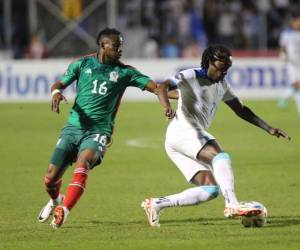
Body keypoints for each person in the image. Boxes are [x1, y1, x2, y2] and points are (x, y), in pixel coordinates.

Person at [141, 44, 290, 227]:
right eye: (220, 68)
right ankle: (232, 204)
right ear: (209, 62)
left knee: (210, 189)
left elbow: (241, 110)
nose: (222, 73)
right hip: (183, 130)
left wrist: (268, 128)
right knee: (219, 156)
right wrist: (166, 107)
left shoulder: (222, 84)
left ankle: (156, 204)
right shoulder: (191, 75)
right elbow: (162, 86)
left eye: (226, 70)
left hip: (177, 140)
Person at [38, 28, 172, 229]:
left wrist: (174, 99)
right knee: (50, 178)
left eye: (121, 46)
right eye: (116, 46)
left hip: (99, 131)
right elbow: (60, 83)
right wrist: (56, 92)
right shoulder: (82, 64)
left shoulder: (125, 72)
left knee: (84, 163)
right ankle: (56, 200)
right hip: (73, 128)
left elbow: (156, 87)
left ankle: (64, 210)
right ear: (103, 46)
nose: (120, 50)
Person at [278, 14, 300, 112]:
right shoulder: (287, 34)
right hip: (292, 63)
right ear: (293, 23)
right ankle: (283, 99)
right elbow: (283, 47)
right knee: (297, 84)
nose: (298, 23)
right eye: (297, 21)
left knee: (297, 85)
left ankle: (283, 99)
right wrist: (283, 56)